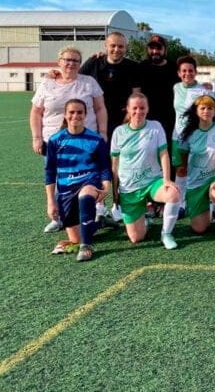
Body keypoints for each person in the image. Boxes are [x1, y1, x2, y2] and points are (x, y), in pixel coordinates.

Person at [30, 45, 107, 233]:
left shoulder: (88, 82)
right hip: (54, 142)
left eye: (75, 60)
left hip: (86, 142)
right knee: (58, 178)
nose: (71, 63)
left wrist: (103, 132)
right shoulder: (47, 83)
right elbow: (36, 111)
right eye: (67, 59)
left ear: (80, 64)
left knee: (90, 176)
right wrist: (37, 137)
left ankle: (96, 214)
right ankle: (59, 216)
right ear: (59, 62)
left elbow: (100, 108)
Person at [110, 92, 182, 249]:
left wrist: (167, 179)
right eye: (134, 108)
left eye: (142, 108)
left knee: (173, 194)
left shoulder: (155, 127)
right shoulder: (118, 132)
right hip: (129, 188)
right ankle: (145, 218)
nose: (138, 112)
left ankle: (166, 233)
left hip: (152, 182)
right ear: (128, 109)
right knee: (136, 238)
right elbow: (115, 165)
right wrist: (115, 192)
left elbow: (164, 154)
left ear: (147, 109)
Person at [45, 99, 112, 262]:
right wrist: (51, 201)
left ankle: (87, 246)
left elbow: (104, 167)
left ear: (85, 115)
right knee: (75, 238)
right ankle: (99, 223)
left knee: (85, 196)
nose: (76, 115)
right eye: (72, 112)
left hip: (89, 182)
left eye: (80, 112)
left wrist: (106, 186)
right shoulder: (55, 140)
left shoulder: (96, 140)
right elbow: (50, 172)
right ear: (65, 115)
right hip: (66, 189)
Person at [177, 95, 215, 238]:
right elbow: (183, 156)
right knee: (199, 229)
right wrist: (184, 168)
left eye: (210, 108)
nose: (206, 111)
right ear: (196, 111)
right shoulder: (188, 133)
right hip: (195, 182)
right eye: (202, 108)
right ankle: (210, 209)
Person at [79, 31, 141, 141]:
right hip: (95, 118)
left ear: (126, 48)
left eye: (120, 46)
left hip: (122, 119)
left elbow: (136, 94)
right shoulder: (93, 62)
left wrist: (129, 114)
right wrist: (57, 74)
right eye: (113, 46)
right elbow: (75, 78)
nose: (116, 49)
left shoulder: (133, 67)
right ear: (106, 46)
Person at [171, 55, 213, 209]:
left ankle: (199, 200)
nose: (187, 74)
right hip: (178, 135)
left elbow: (212, 112)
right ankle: (180, 203)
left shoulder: (203, 91)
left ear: (195, 72)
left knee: (197, 169)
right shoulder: (175, 87)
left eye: (190, 70)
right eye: (184, 71)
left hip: (196, 136)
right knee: (181, 169)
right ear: (178, 73)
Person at [140, 34, 178, 151]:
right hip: (146, 120)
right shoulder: (141, 67)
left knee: (168, 155)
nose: (155, 51)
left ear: (165, 50)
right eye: (152, 48)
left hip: (170, 121)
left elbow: (188, 81)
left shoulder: (174, 68)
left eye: (159, 48)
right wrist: (102, 56)